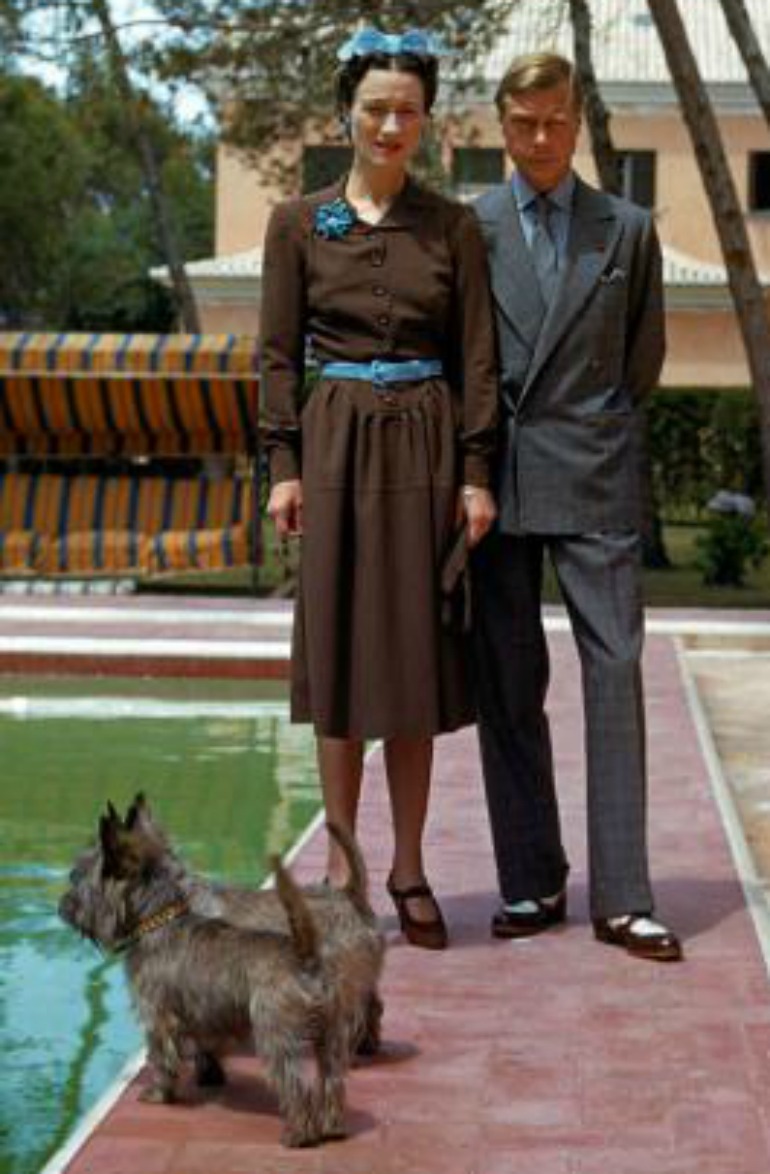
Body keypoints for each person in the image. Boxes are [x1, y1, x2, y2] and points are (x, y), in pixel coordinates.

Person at [260, 27, 498, 950]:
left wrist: (476, 475)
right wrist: (282, 466)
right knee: (338, 659)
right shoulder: (296, 221)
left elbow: (478, 357)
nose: (390, 124)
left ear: (427, 120)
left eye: (406, 110)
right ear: (347, 117)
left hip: (428, 447)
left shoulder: (454, 226)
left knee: (413, 660)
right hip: (334, 449)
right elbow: (278, 354)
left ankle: (408, 866)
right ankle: (341, 869)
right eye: (375, 109)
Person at [472, 52, 682, 961]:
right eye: (525, 124)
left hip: (596, 469)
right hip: (504, 474)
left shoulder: (627, 229)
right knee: (509, 685)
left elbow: (643, 361)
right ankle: (531, 879)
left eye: (556, 120)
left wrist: (598, 428)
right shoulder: (469, 227)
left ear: (576, 121)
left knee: (615, 675)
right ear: (502, 126)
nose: (543, 138)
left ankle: (625, 897)